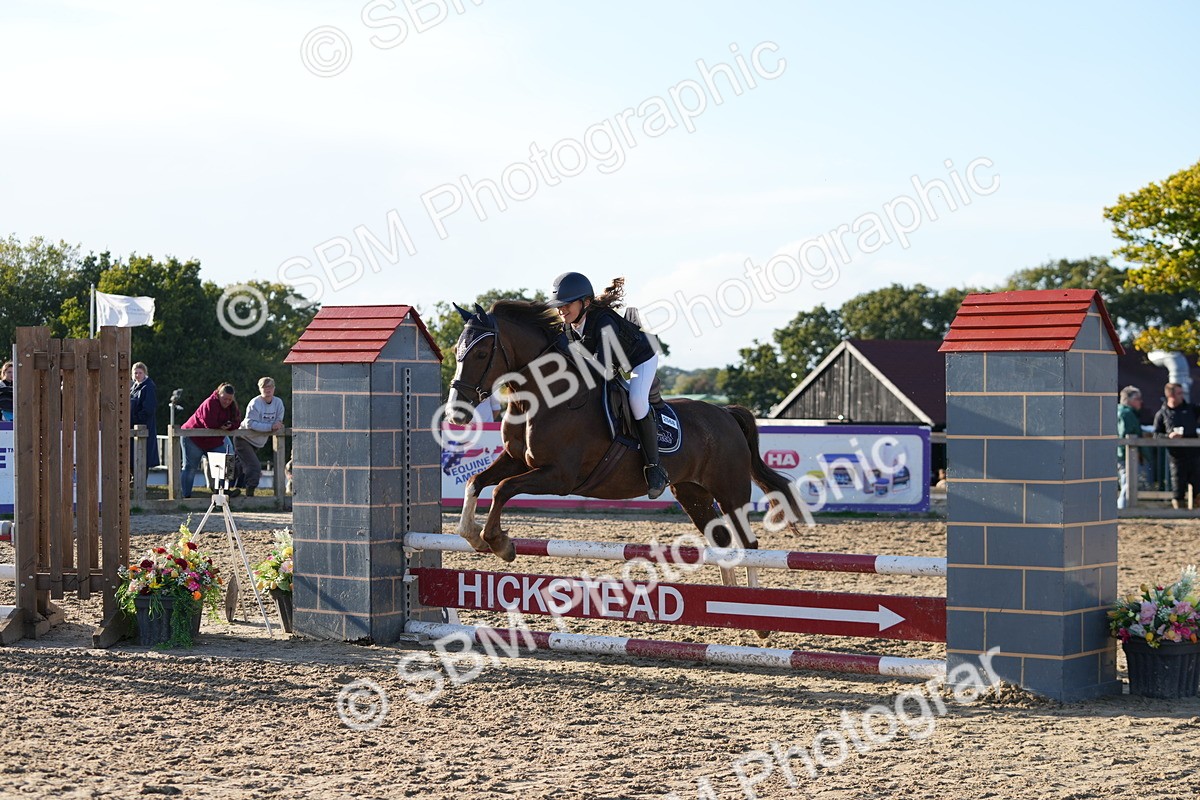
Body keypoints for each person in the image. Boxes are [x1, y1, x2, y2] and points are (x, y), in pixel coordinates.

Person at [547, 273, 669, 499]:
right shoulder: (569, 326)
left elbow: (602, 370)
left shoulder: (604, 322)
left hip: (640, 359)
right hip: (614, 363)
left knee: (636, 401)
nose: (561, 310)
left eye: (566, 305)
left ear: (585, 302)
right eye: (558, 306)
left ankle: (655, 467)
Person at [180, 383, 241, 499]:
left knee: (225, 462)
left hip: (213, 440)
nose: (227, 402)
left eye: (230, 399)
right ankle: (185, 496)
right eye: (224, 399)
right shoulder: (210, 402)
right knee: (190, 467)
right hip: (193, 438)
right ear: (218, 394)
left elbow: (237, 421)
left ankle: (222, 492)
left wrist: (230, 425)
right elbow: (209, 423)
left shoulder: (232, 405)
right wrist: (222, 426)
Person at [235, 377, 286, 498]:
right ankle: (250, 495)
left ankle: (224, 486)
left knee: (239, 466)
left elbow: (279, 420)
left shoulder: (278, 402)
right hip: (244, 438)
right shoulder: (255, 403)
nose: (267, 389)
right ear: (260, 389)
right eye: (264, 387)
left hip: (258, 442)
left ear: (274, 388)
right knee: (255, 466)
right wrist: (270, 427)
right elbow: (250, 423)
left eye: (270, 387)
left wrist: (277, 424)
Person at [1152, 382, 1200, 510]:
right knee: (1178, 485)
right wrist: (1169, 437)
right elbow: (1156, 435)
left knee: (1197, 483)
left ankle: (1196, 510)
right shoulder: (1162, 414)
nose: (1182, 396)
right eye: (1179, 393)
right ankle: (1179, 511)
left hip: (1195, 454)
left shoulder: (1191, 409)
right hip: (1176, 457)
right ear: (1171, 395)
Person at [129, 362, 159, 473]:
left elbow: (149, 408)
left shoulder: (148, 387)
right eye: (135, 373)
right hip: (133, 427)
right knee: (133, 455)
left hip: (143, 427)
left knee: (142, 455)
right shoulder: (133, 387)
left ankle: (141, 484)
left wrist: (136, 419)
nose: (137, 375)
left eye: (140, 373)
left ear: (145, 373)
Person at [1116, 386, 1143, 509]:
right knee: (1127, 483)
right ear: (1128, 400)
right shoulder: (1126, 413)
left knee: (1124, 482)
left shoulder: (1118, 410)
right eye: (1137, 398)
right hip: (1124, 453)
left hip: (1118, 453)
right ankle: (1124, 509)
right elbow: (1125, 434)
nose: (1140, 401)